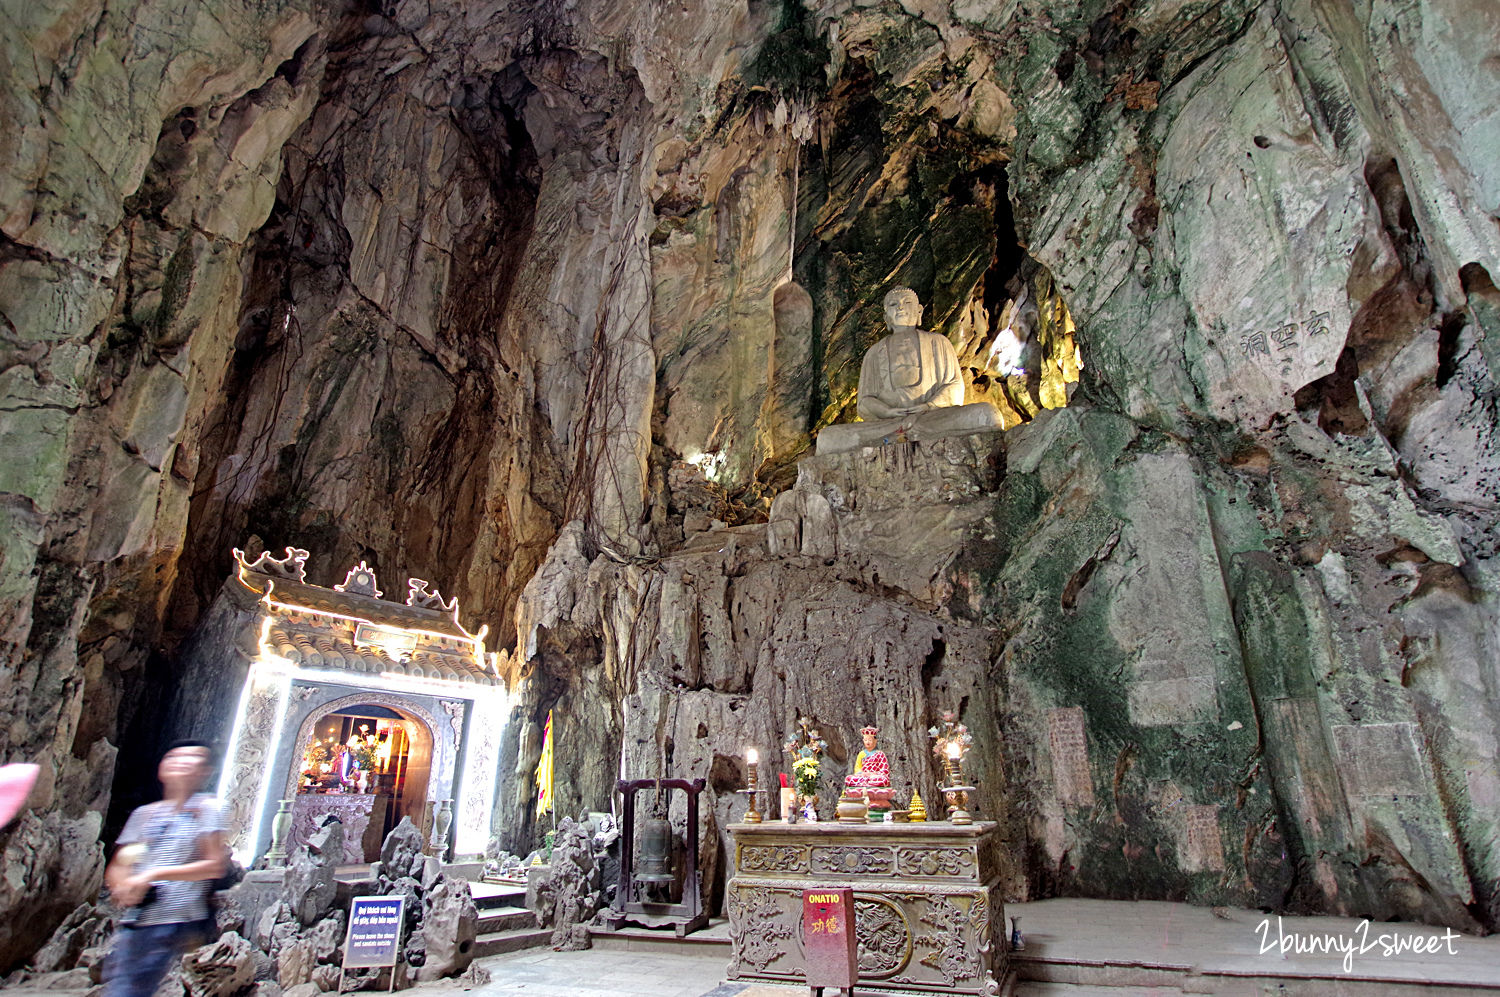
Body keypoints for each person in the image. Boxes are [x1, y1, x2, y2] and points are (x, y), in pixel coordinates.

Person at [103, 741, 228, 997]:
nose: (182, 760)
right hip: (138, 918)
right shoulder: (144, 815)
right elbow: (119, 864)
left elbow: (214, 865)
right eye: (174, 756)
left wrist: (153, 874)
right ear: (161, 768)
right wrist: (123, 886)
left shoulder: (206, 808)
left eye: (193, 757)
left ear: (205, 771)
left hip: (177, 920)